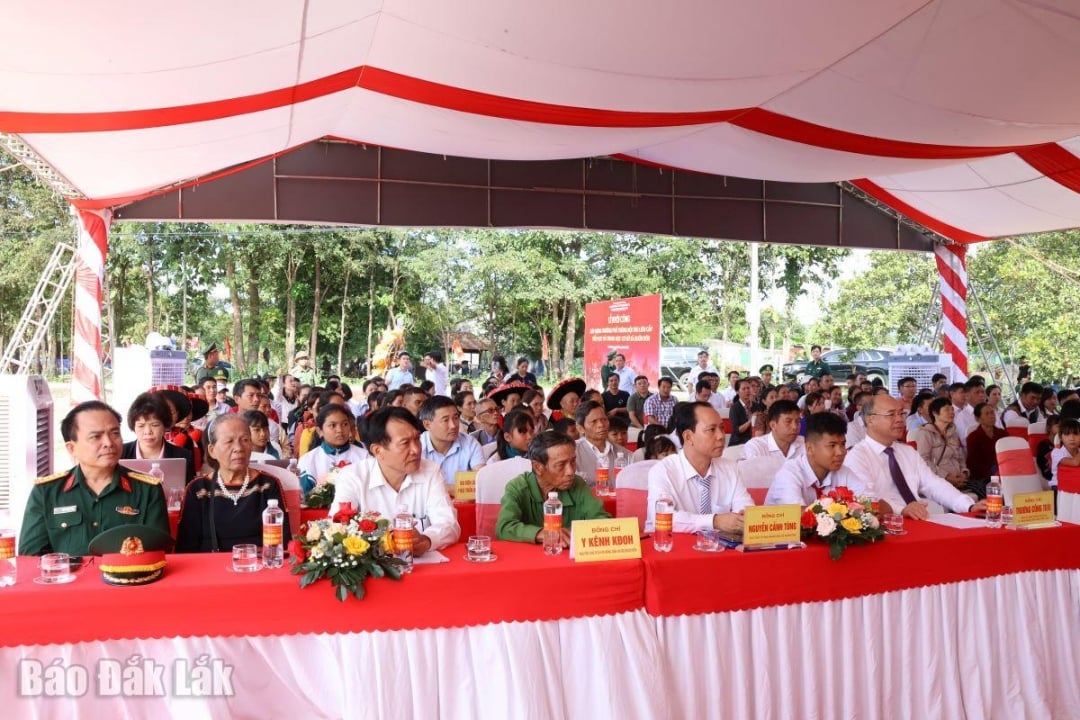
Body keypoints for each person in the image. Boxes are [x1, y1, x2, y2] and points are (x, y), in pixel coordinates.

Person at [19, 401, 171, 556]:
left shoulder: (148, 490)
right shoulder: (46, 492)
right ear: (72, 448)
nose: (108, 443)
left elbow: (158, 553)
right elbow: (31, 556)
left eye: (115, 433)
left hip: (127, 572)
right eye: (96, 437)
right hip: (67, 572)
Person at [328, 407, 461, 554]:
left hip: (420, 563)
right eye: (405, 443)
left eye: (417, 439)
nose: (416, 450)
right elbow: (338, 528)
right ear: (378, 451)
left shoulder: (430, 471)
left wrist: (426, 540)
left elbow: (449, 523)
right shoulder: (352, 477)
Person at [843, 394, 986, 519]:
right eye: (891, 414)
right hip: (884, 526)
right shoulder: (857, 457)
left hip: (919, 520)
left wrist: (969, 506)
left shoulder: (908, 452)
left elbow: (933, 484)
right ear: (870, 419)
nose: (899, 419)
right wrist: (901, 509)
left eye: (901, 413)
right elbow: (866, 498)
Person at [175, 415, 292, 553]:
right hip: (210, 564)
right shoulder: (198, 490)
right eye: (229, 441)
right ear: (212, 451)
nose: (238, 448)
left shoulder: (267, 485)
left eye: (245, 440)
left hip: (258, 563)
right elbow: (186, 550)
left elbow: (282, 544)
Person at [645, 402, 753, 533]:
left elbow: (746, 508)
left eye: (722, 428)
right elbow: (662, 517)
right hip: (673, 544)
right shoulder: (663, 471)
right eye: (711, 430)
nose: (721, 436)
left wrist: (743, 518)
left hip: (719, 545)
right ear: (688, 437)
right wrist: (714, 521)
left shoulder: (730, 468)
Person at [494, 431, 611, 546]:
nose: (570, 471)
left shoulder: (577, 484)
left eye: (573, 461)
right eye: (561, 465)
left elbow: (602, 520)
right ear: (538, 467)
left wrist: (575, 533)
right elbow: (503, 527)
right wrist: (543, 534)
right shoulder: (518, 487)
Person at [766, 412, 854, 506]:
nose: (841, 452)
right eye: (832, 445)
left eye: (843, 444)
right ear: (810, 449)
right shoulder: (789, 474)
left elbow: (865, 501)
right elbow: (797, 513)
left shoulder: (843, 472)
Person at [121, 392, 196, 485]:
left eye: (155, 425)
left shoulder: (183, 456)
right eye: (141, 426)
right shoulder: (120, 453)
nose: (148, 432)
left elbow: (190, 491)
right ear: (133, 427)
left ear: (165, 425)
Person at [297, 404, 369, 495]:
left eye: (345, 424)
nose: (340, 430)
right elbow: (303, 497)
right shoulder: (308, 460)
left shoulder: (364, 457)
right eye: (332, 425)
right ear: (320, 431)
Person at [419, 395, 486, 482]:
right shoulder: (417, 447)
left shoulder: (470, 443)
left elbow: (481, 481)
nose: (453, 425)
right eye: (445, 420)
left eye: (455, 418)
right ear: (427, 425)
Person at [915, 397, 973, 496]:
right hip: (938, 482)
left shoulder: (953, 433)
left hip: (959, 482)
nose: (951, 412)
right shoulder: (926, 433)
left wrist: (964, 473)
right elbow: (924, 460)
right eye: (947, 410)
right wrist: (947, 476)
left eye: (952, 409)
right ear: (935, 413)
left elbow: (960, 457)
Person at [574, 401, 631, 486]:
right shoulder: (572, 452)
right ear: (580, 428)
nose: (601, 425)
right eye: (594, 421)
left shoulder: (626, 454)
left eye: (604, 419)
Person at [965, 402, 1008, 488]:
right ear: (978, 419)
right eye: (987, 414)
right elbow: (973, 463)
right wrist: (993, 476)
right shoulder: (973, 437)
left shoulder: (1003, 434)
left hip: (1004, 473)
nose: (991, 416)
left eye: (992, 413)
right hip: (984, 477)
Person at [727, 378, 761, 447]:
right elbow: (737, 431)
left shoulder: (756, 406)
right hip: (738, 443)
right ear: (737, 391)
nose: (747, 391)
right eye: (744, 389)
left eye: (748, 388)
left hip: (754, 441)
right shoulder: (735, 408)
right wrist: (751, 420)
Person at [1050, 418, 1080, 492]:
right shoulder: (1056, 453)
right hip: (1059, 488)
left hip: (1076, 486)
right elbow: (1075, 462)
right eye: (1067, 434)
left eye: (1076, 434)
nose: (1072, 438)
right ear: (1060, 437)